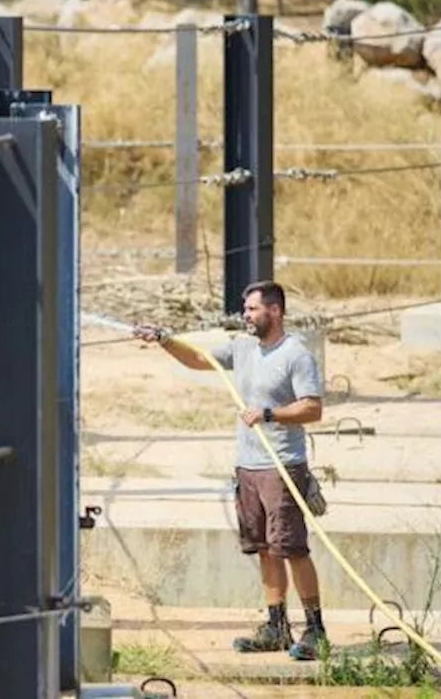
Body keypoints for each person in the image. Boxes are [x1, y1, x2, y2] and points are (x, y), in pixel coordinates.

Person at [132, 280, 327, 661]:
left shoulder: (295, 353)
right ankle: (276, 627)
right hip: (248, 467)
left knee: (292, 548)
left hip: (282, 466)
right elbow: (198, 359)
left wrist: (269, 414)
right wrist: (164, 340)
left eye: (252, 309)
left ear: (275, 311)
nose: (246, 315)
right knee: (264, 550)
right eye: (246, 308)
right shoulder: (243, 348)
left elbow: (313, 409)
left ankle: (316, 630)